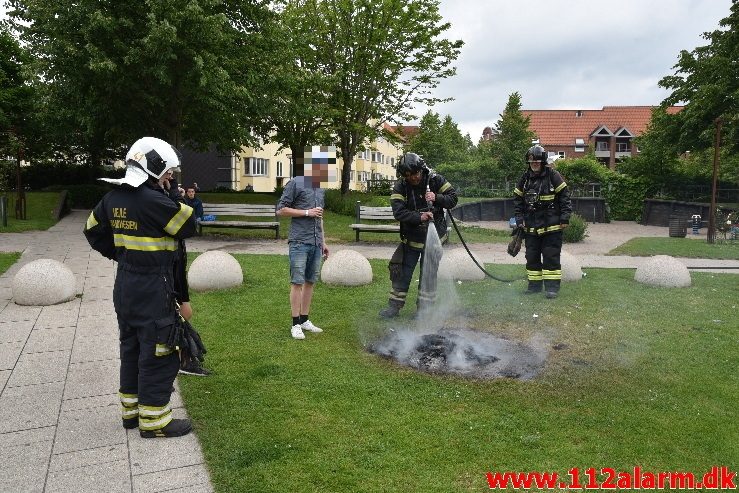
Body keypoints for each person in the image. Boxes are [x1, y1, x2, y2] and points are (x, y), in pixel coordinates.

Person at [84, 137, 198, 438]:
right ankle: (154, 421)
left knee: (131, 348)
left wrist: (122, 253)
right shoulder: (154, 201)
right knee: (159, 351)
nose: (170, 178)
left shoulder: (113, 197)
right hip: (153, 287)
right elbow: (188, 224)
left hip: (125, 285)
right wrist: (174, 193)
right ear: (153, 167)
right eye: (167, 173)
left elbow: (92, 230)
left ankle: (131, 412)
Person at [379, 152, 458, 318]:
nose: (412, 178)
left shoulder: (435, 180)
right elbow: (398, 212)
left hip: (434, 239)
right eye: (407, 175)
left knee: (428, 275)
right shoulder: (401, 186)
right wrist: (419, 217)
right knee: (402, 273)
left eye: (415, 174)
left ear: (421, 170)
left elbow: (453, 198)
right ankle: (394, 307)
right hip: (411, 239)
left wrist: (437, 197)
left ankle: (424, 310)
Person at [276, 146, 332, 340]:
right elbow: (281, 210)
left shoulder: (320, 188)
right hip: (299, 241)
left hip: (316, 242)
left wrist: (323, 242)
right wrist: (306, 212)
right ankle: (295, 324)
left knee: (310, 282)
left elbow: (320, 217)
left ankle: (305, 319)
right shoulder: (295, 183)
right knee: (297, 282)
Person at [512, 144, 572, 299]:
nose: (534, 164)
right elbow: (518, 200)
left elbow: (565, 196)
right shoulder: (524, 179)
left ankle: (552, 288)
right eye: (532, 162)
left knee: (551, 256)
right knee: (531, 257)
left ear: (543, 162)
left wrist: (565, 217)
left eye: (537, 162)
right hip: (531, 228)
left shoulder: (553, 176)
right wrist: (519, 220)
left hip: (551, 226)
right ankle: (534, 286)